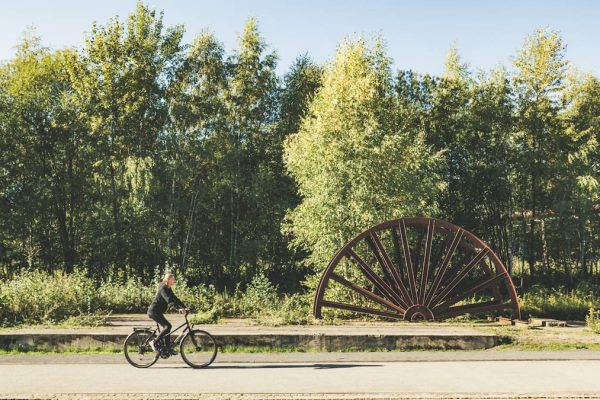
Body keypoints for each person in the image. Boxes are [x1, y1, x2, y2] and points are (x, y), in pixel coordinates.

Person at [147, 273, 187, 353]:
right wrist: (178, 308)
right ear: (168, 280)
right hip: (154, 312)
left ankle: (168, 349)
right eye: (173, 280)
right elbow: (169, 300)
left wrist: (184, 307)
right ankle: (154, 342)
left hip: (158, 311)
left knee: (168, 328)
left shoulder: (167, 287)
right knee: (167, 326)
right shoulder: (163, 288)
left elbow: (175, 298)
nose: (174, 281)